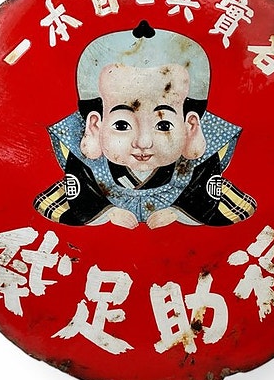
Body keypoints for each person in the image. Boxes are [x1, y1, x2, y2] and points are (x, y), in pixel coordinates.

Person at [34, 21, 256, 229]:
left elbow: (205, 201)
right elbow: (80, 199)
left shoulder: (201, 163)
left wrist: (178, 213)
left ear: (190, 126)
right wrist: (107, 212)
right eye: (122, 125)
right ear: (95, 126)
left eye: (164, 125)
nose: (143, 142)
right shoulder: (84, 162)